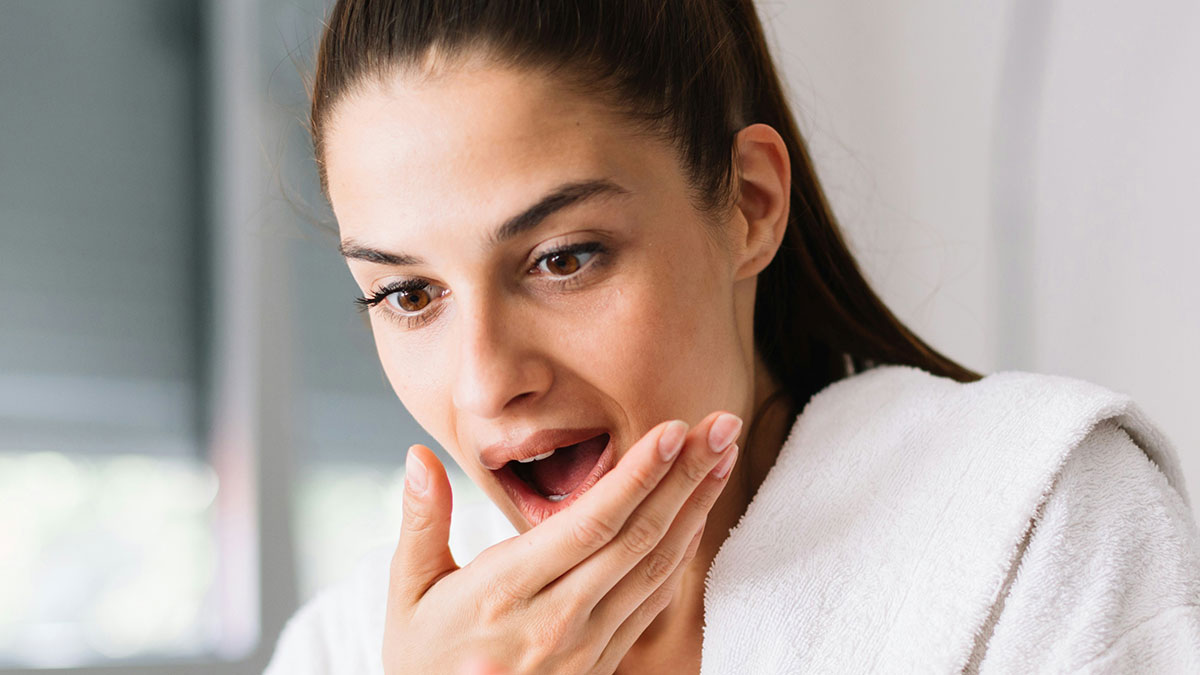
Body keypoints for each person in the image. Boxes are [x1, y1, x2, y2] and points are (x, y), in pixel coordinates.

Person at [265, 0, 1200, 673]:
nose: (484, 382)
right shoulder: (346, 649)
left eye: (563, 258)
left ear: (749, 203)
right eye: (408, 293)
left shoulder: (1036, 525)